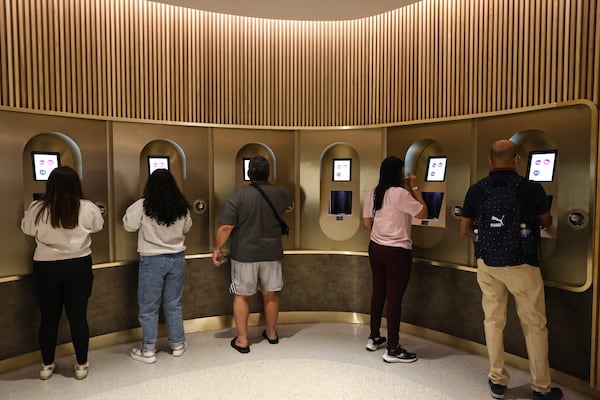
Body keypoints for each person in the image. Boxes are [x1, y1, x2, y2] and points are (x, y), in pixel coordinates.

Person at [459, 139, 562, 400]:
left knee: (493, 321)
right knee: (534, 324)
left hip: (488, 264)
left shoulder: (477, 189)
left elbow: (464, 229)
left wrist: (488, 241)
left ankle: (497, 380)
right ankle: (540, 387)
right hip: (523, 264)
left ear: (490, 160)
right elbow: (546, 220)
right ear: (517, 159)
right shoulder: (530, 188)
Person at [21, 166, 104, 380]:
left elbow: (26, 229)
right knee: (78, 317)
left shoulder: (37, 207)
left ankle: (47, 365)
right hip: (78, 266)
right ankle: (82, 364)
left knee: (48, 318)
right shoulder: (87, 207)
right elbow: (98, 226)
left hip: (46, 267)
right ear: (77, 184)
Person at [212, 155, 293, 353]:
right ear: (268, 173)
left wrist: (217, 249)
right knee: (271, 294)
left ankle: (242, 340)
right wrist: (270, 184)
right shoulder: (281, 193)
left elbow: (226, 227)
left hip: (244, 254)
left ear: (249, 173)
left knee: (242, 296)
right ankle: (272, 334)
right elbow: (288, 207)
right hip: (272, 253)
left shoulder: (239, 195)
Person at [362, 156, 428, 363]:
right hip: (397, 252)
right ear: (398, 173)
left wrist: (382, 232)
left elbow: (366, 223)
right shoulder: (400, 193)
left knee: (378, 293)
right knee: (394, 299)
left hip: (375, 248)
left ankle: (374, 337)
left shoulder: (373, 192)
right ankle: (392, 348)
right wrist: (415, 188)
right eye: (402, 170)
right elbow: (423, 212)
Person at [123, 169, 192, 364]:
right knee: (173, 304)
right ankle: (178, 344)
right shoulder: (181, 206)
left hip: (152, 260)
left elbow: (129, 225)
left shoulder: (143, 205)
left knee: (148, 308)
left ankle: (148, 350)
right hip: (177, 258)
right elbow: (187, 227)